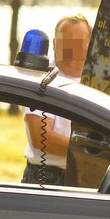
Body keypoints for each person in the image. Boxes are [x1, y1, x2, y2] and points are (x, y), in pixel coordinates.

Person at [22, 14, 92, 185]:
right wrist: (91, 151)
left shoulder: (99, 81)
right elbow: (40, 137)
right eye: (65, 44)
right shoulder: (41, 77)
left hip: (88, 177)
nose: (70, 52)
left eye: (77, 45)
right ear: (54, 44)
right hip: (47, 177)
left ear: (90, 45)